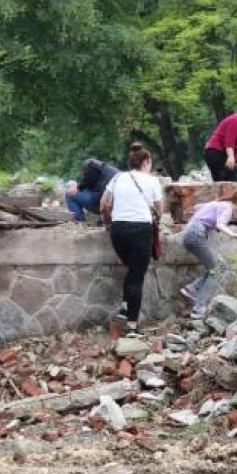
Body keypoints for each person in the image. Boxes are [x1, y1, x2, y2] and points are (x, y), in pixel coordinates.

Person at [101, 144, 164, 336]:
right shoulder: (151, 181)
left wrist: (108, 224)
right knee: (137, 276)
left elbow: (104, 203)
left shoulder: (117, 177)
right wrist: (157, 220)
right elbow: (159, 208)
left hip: (118, 230)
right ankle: (132, 327)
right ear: (146, 162)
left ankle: (125, 309)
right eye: (150, 162)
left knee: (132, 272)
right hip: (140, 229)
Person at [180, 191, 237, 319]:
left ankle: (192, 289)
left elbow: (198, 210)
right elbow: (219, 224)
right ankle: (198, 308)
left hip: (189, 235)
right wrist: (234, 234)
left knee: (217, 267)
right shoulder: (228, 207)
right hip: (196, 235)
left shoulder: (218, 203)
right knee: (217, 269)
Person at [66, 159, 118, 224]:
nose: (84, 176)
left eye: (85, 173)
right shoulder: (109, 170)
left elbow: (101, 197)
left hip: (108, 206)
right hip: (118, 208)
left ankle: (79, 222)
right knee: (88, 190)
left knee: (69, 194)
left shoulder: (94, 170)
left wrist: (77, 188)